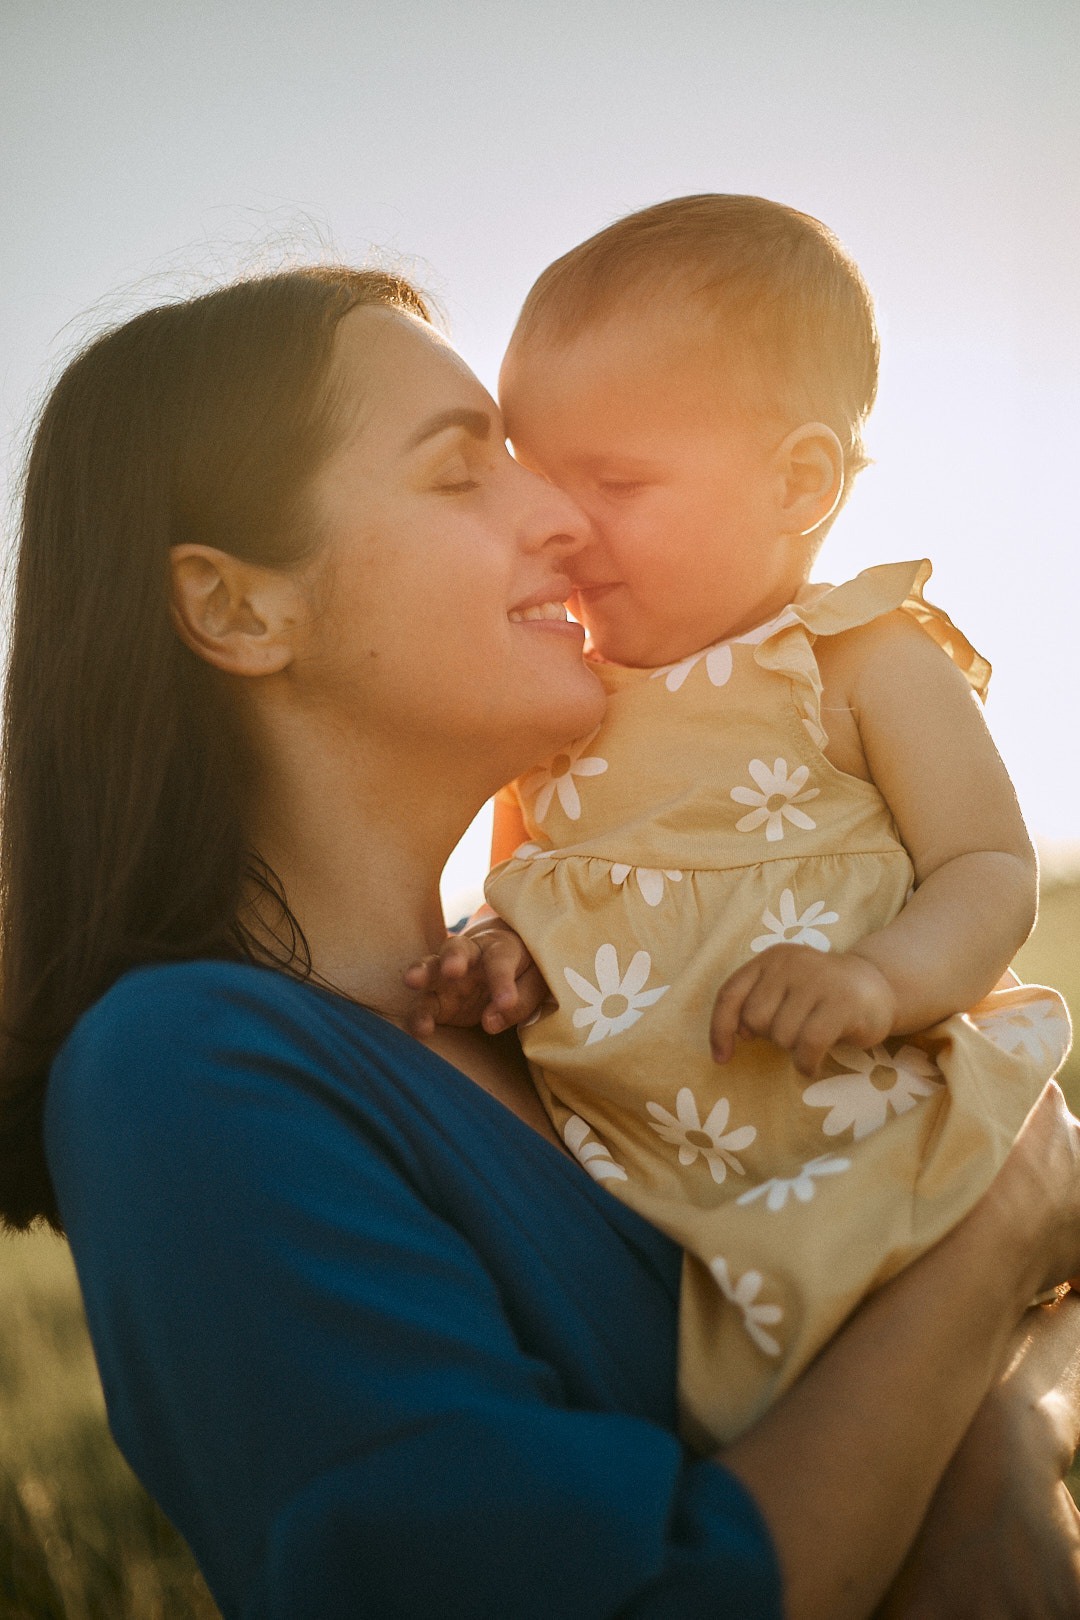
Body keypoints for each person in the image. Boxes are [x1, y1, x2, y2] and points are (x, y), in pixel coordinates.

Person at [2, 262, 1080, 1620]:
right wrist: (1001, 1239)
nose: (565, 515)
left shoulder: (559, 1005)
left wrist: (1015, 1429)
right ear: (236, 608)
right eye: (464, 474)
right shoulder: (178, 1072)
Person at [407, 195, 1071, 1447]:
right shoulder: (563, 706)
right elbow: (539, 892)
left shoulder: (853, 655)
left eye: (617, 480)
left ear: (799, 480)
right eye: (545, 480)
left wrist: (880, 978)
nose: (565, 523)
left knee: (949, 1430)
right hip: (677, 1211)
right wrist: (505, 953)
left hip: (884, 1135)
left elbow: (988, 866)